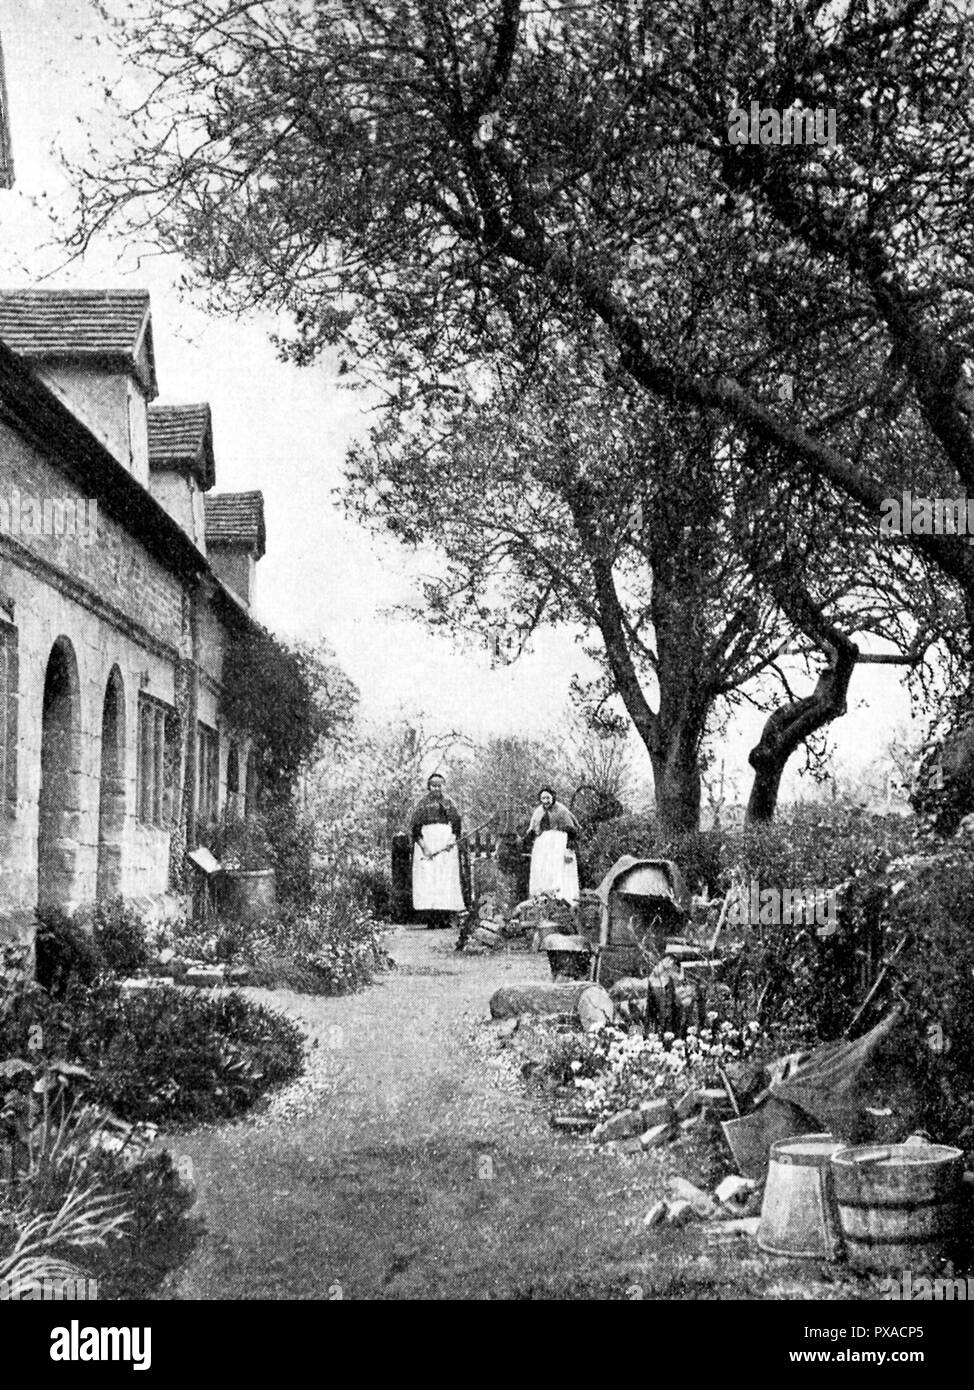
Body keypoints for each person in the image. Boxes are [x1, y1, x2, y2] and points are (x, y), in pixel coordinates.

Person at [409, 773, 466, 927]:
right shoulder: (422, 804)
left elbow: (456, 825)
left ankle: (445, 917)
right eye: (433, 785)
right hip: (428, 841)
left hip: (445, 844)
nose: (436, 788)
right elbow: (415, 828)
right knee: (428, 879)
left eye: (439, 785)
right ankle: (431, 919)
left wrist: (451, 840)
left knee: (445, 878)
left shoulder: (449, 803)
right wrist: (424, 847)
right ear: (429, 787)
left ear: (443, 786)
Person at [525, 786, 581, 904]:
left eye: (548, 798)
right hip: (543, 845)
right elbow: (533, 828)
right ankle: (542, 898)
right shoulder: (538, 811)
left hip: (558, 843)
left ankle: (563, 898)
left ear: (553, 797)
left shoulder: (561, 810)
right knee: (542, 871)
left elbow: (572, 830)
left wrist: (568, 845)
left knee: (559, 871)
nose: (545, 801)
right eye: (543, 798)